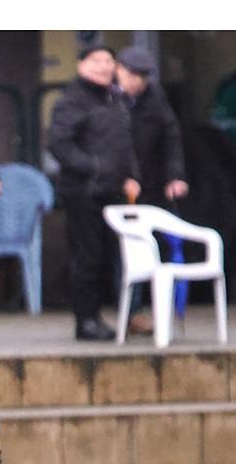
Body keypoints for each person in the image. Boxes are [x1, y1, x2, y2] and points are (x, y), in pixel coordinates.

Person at [48, 45, 139, 341]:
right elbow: (59, 144)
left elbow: (124, 144)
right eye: (95, 61)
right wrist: (94, 167)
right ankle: (85, 320)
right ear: (81, 65)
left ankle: (105, 315)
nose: (103, 66)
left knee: (107, 256)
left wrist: (130, 176)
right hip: (83, 192)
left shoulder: (115, 98)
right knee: (87, 257)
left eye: (108, 61)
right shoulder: (71, 100)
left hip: (112, 192)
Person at [115, 46, 190, 336]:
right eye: (131, 74)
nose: (136, 82)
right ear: (118, 70)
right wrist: (121, 178)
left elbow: (171, 137)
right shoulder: (106, 97)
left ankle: (161, 310)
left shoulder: (155, 98)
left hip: (151, 184)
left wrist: (175, 176)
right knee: (124, 251)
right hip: (116, 186)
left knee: (163, 246)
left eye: (142, 76)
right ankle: (128, 312)